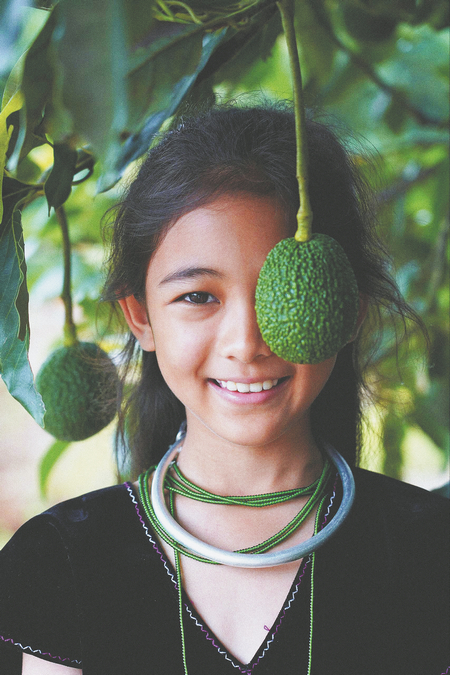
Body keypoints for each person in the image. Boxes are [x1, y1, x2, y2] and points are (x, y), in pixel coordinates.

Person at [0, 104, 448, 675]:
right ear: (140, 316)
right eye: (198, 296)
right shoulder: (59, 565)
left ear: (347, 310)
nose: (245, 342)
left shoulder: (432, 556)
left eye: (279, 292)